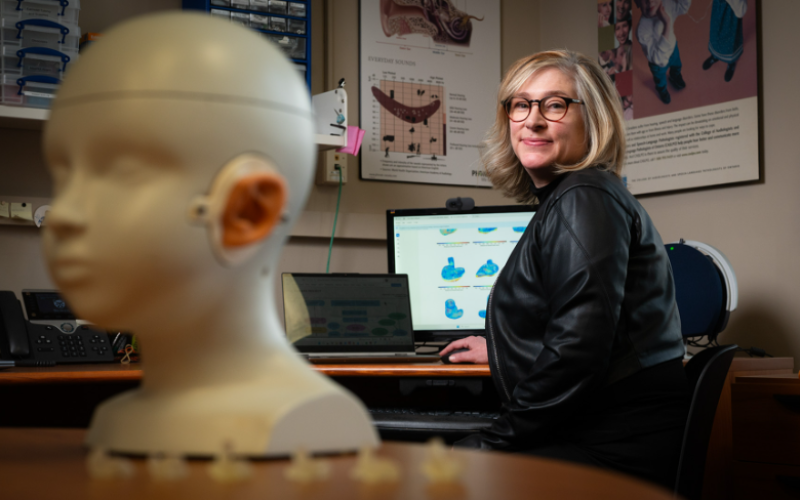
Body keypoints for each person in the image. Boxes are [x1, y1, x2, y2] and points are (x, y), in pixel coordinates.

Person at [41, 12, 378, 457]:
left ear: (247, 211)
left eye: (120, 171)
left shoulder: (305, 421)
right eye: (63, 175)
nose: (60, 214)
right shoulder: (118, 418)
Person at [439, 50, 688, 489]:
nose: (533, 120)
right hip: (609, 434)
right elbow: (582, 330)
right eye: (521, 104)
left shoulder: (583, 197)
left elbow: (577, 352)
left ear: (594, 120)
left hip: (609, 450)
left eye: (554, 105)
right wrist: (501, 347)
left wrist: (494, 442)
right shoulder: (577, 196)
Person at [634, 0, 691, 104]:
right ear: (637, 2)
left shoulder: (667, 4)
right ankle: (662, 90)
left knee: (677, 66)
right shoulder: (641, 30)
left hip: (673, 50)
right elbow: (658, 58)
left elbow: (683, 7)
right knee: (660, 80)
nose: (650, 2)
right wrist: (667, 23)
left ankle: (675, 76)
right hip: (657, 63)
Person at [702, 0, 747, 82]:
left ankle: (731, 63)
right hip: (718, 9)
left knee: (730, 41)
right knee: (715, 34)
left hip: (731, 14)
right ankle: (715, 56)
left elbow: (741, 11)